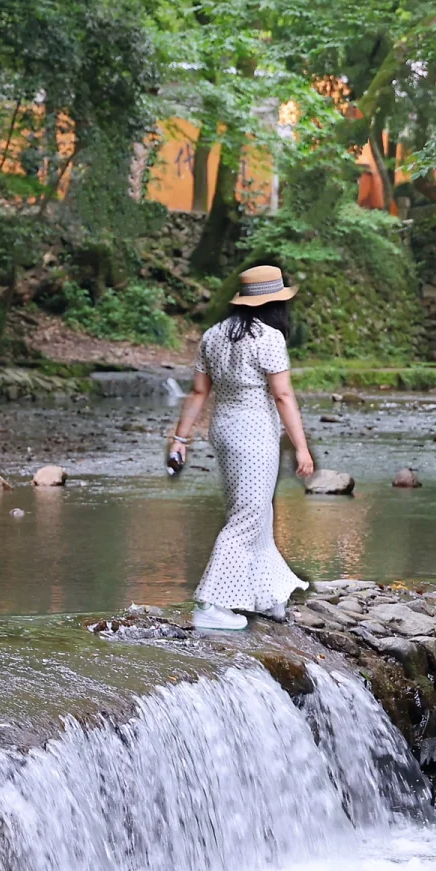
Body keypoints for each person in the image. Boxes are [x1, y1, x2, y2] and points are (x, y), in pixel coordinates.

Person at [169, 264, 315, 630]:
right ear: (273, 304)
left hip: (224, 428)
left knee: (257, 510)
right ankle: (210, 604)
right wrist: (301, 447)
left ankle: (266, 596)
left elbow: (200, 392)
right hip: (255, 430)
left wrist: (180, 438)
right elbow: (282, 395)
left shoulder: (213, 335)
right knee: (248, 516)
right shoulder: (269, 338)